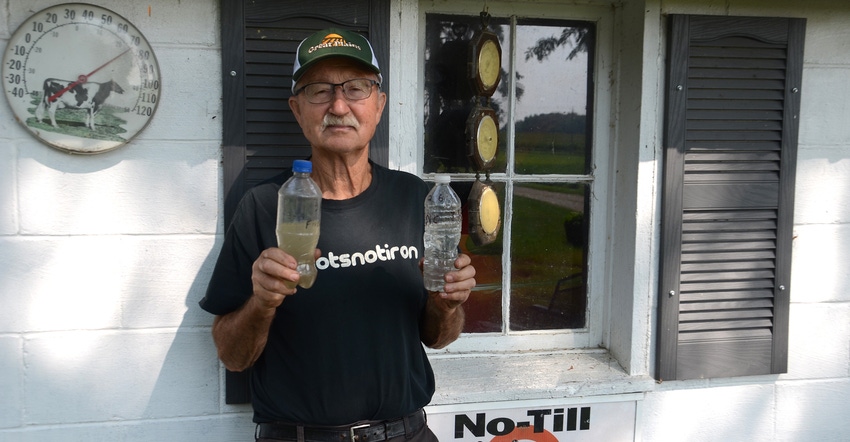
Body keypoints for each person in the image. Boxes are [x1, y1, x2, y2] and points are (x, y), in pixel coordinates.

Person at [199, 28, 476, 441]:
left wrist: (446, 304)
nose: (339, 105)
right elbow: (232, 356)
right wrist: (261, 302)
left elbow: (438, 338)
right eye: (320, 90)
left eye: (357, 88)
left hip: (407, 433)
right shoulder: (262, 207)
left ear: (379, 105)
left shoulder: (418, 199)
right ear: (297, 109)